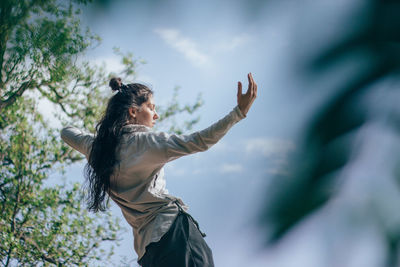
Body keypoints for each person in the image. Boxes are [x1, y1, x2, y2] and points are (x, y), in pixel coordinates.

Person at [61, 73, 257, 267]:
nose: (156, 115)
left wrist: (101, 139)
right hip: (173, 233)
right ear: (133, 112)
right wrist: (238, 112)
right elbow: (200, 141)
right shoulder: (146, 142)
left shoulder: (99, 151)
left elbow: (67, 132)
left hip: (148, 251)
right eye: (151, 107)